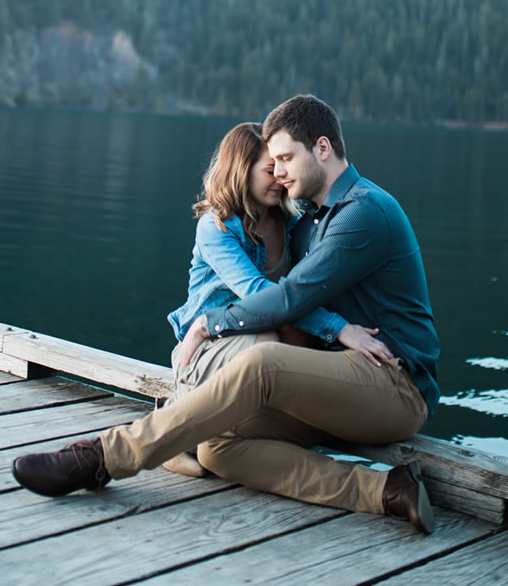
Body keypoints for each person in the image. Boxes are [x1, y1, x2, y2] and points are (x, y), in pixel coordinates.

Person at [12, 95, 440, 534]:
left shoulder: (363, 213)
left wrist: (206, 323)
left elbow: (289, 298)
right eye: (272, 162)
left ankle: (102, 457)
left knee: (263, 362)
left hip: (395, 384)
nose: (280, 171)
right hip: (339, 382)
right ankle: (386, 490)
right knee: (219, 445)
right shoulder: (310, 220)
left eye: (287, 158)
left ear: (324, 149)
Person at [161, 121, 391, 475]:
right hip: (211, 339)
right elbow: (259, 294)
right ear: (241, 171)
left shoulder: (288, 223)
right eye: (271, 170)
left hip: (264, 329)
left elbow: (299, 294)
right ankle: (174, 425)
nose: (281, 176)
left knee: (301, 342)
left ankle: (251, 430)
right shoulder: (217, 226)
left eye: (283, 166)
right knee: (270, 342)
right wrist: (339, 327)